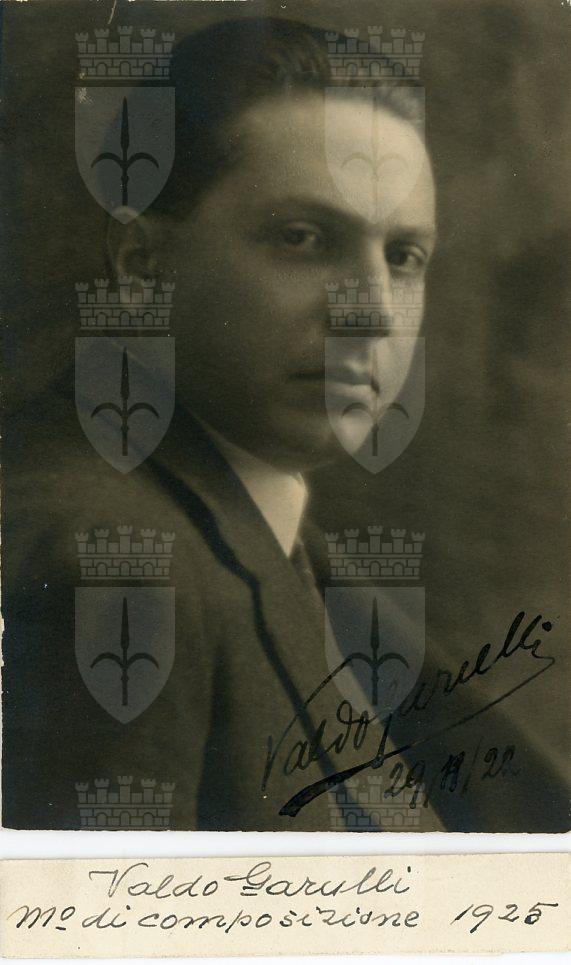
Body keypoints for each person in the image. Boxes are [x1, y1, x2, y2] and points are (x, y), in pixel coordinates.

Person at [2, 17, 567, 832]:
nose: (372, 312)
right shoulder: (108, 563)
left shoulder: (263, 532)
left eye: (402, 256)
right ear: (140, 269)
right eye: (303, 238)